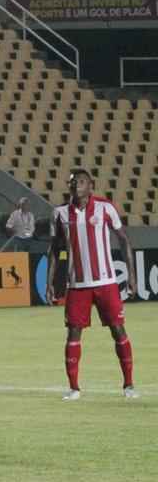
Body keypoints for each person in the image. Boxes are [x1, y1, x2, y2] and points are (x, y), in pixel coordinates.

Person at [46, 169, 138, 400]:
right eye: (73, 181)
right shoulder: (59, 213)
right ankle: (74, 388)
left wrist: (132, 275)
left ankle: (128, 385)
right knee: (73, 334)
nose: (76, 184)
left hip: (106, 282)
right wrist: (50, 282)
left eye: (82, 181)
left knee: (118, 330)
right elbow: (55, 250)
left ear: (91, 185)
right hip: (77, 285)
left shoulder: (105, 207)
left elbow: (124, 240)